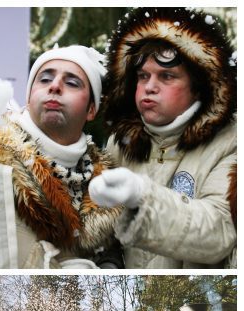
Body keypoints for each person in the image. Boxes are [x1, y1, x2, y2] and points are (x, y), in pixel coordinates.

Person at [0, 45, 122, 269]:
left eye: (72, 83)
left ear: (91, 110)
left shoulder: (104, 194)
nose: (55, 86)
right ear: (29, 98)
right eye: (44, 79)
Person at [90, 7, 237, 268]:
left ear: (199, 87)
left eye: (167, 76)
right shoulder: (120, 142)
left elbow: (218, 233)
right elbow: (102, 230)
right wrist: (107, 262)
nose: (149, 87)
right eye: (143, 76)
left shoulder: (230, 142)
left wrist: (142, 196)